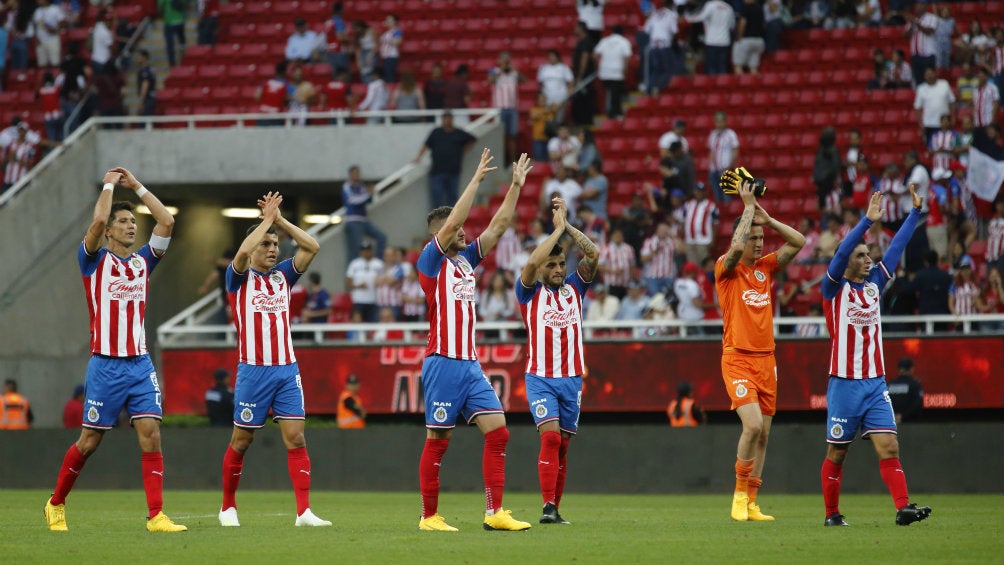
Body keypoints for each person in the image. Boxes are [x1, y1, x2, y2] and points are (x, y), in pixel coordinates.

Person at [44, 167, 185, 532]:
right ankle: (56, 503)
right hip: (105, 364)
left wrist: (136, 185)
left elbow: (166, 220)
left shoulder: (142, 262)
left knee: (151, 434)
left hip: (139, 363)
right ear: (109, 230)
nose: (131, 226)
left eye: (133, 221)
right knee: (89, 442)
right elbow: (96, 221)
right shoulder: (92, 261)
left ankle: (156, 515)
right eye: (123, 222)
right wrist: (108, 184)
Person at [416, 149, 533, 532]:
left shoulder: (466, 262)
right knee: (439, 439)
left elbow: (497, 227)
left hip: (469, 364)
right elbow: (454, 225)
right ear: (438, 235)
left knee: (498, 431)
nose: (465, 231)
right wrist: (477, 180)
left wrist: (515, 187)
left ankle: (494, 512)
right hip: (442, 361)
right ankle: (428, 517)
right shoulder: (430, 263)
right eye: (456, 228)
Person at [819, 186, 932, 527]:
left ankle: (903, 508)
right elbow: (839, 255)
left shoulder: (873, 286)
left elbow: (895, 250)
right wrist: (868, 219)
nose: (869, 261)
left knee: (889, 446)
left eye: (869, 256)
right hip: (844, 385)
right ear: (847, 261)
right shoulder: (833, 289)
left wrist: (914, 214)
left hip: (875, 383)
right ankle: (832, 515)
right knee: (838, 452)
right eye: (862, 256)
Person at [218, 191, 331, 528]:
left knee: (296, 437)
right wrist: (266, 222)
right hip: (253, 371)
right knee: (242, 440)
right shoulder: (238, 279)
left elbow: (312, 247)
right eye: (265, 244)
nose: (271, 249)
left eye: (274, 244)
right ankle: (227, 507)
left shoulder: (283, 276)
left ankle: (304, 512)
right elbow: (239, 254)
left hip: (286, 371)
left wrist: (280, 221)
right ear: (252, 248)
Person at [716, 179, 806, 522]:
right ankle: (738, 496)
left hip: (767, 360)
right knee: (752, 426)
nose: (758, 243)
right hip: (737, 357)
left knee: (765, 435)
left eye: (761, 239)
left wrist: (768, 221)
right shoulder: (727, 268)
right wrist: (748, 207)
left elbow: (799, 241)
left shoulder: (765, 269)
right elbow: (736, 249)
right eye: (753, 238)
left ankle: (752, 501)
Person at [516, 196, 599, 525]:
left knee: (563, 445)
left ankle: (553, 508)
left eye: (560, 264)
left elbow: (592, 254)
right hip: (540, 377)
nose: (557, 269)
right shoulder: (529, 292)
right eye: (551, 265)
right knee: (550, 437)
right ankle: (547, 506)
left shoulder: (575, 289)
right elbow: (531, 262)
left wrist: (567, 228)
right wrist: (554, 232)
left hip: (572, 379)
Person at [412, 111, 476, 210]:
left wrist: (463, 151)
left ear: (452, 119)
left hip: (453, 172)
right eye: (445, 118)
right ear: (442, 119)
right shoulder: (436, 132)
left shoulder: (458, 132)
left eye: (449, 118)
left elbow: (472, 139)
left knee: (452, 199)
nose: (447, 120)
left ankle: (452, 223)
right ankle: (437, 224)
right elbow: (426, 145)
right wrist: (418, 158)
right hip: (437, 172)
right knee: (436, 200)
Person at [342, 164, 387, 262]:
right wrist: (368, 194)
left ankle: (377, 263)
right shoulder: (347, 186)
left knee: (381, 237)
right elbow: (353, 200)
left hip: (364, 220)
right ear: (350, 174)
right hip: (353, 220)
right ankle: (352, 274)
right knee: (355, 249)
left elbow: (368, 200)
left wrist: (371, 193)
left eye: (358, 173)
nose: (357, 175)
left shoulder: (361, 186)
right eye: (355, 173)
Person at [592, 25, 632, 119]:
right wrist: (625, 70)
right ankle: (613, 113)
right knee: (616, 94)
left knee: (610, 92)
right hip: (617, 71)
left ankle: (612, 111)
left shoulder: (605, 40)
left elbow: (594, 55)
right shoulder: (624, 42)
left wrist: (598, 67)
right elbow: (627, 58)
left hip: (605, 72)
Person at [887, 358, 923, 424]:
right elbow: (917, 404)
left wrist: (893, 417)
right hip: (910, 425)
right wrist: (902, 416)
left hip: (890, 424)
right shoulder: (915, 385)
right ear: (911, 369)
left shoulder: (890, 384)